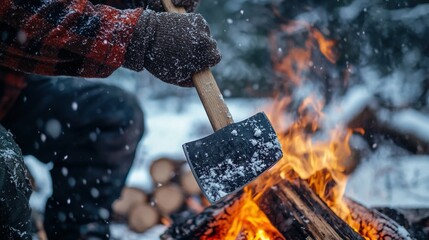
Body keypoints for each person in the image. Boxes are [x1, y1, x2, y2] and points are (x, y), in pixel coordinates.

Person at [0, 0, 221, 239]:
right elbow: (14, 15)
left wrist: (130, 3)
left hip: (8, 93)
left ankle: (80, 231)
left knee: (114, 115)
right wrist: (138, 35)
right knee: (3, 166)